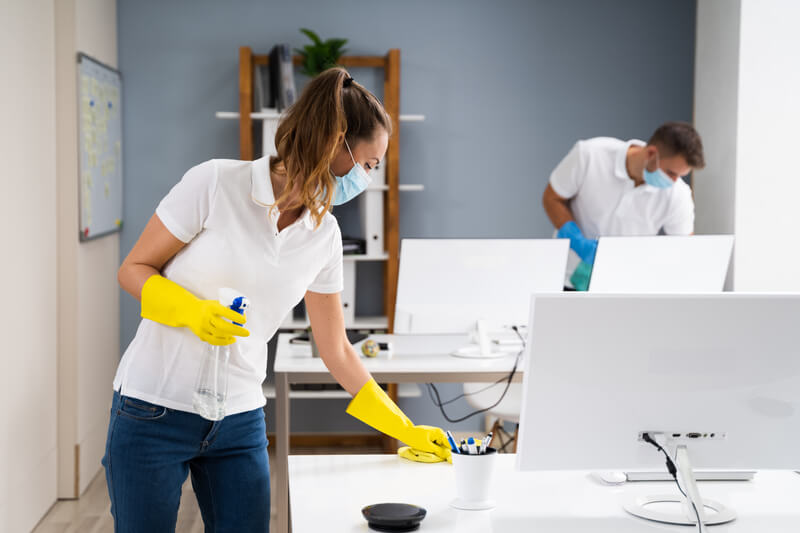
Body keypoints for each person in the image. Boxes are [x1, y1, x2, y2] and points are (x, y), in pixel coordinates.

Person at [103, 68, 450, 533]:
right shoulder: (215, 184)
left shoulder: (323, 235)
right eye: (369, 163)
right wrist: (191, 311)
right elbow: (133, 269)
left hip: (239, 420)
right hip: (154, 408)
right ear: (335, 142)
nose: (370, 177)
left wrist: (401, 427)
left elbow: (337, 349)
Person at [542, 121, 705, 290]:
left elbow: (684, 250)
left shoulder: (678, 194)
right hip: (567, 278)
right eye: (671, 173)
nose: (674, 181)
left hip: (626, 286)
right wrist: (578, 241)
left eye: (680, 175)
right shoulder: (589, 155)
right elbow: (552, 198)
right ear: (651, 153)